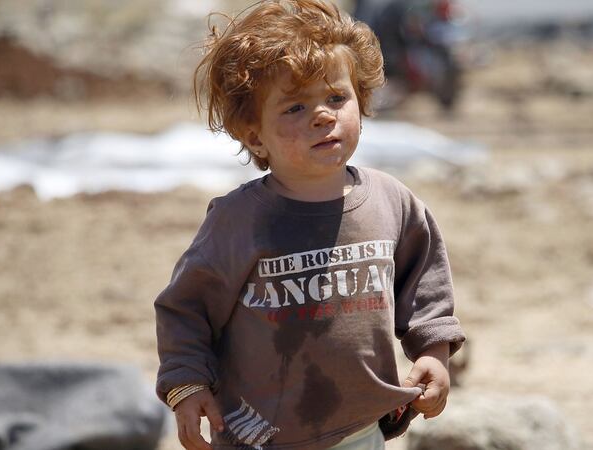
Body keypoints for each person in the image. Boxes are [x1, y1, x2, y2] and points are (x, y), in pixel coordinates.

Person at [154, 1, 466, 449]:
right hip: (260, 432)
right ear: (254, 133)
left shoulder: (392, 202)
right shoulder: (240, 220)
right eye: (295, 107)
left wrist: (433, 354)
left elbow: (425, 289)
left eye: (337, 98)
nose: (323, 115)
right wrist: (188, 386)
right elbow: (186, 310)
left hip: (360, 425)